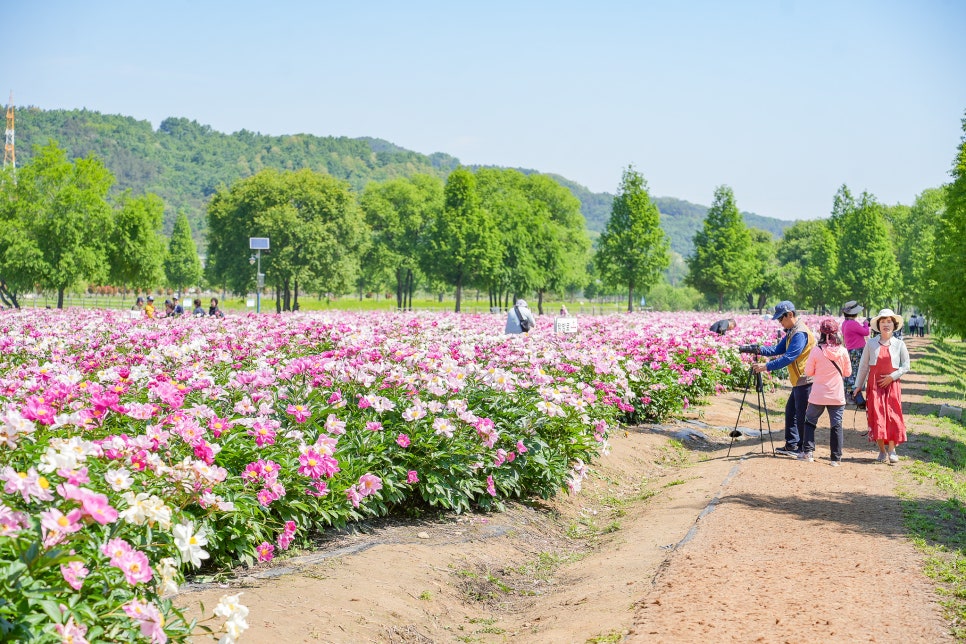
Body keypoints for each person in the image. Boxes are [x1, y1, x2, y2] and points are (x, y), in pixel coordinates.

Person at [747, 301, 816, 457]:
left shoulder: (800, 333)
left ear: (790, 315)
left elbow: (788, 357)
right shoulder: (792, 331)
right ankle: (792, 445)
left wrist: (766, 367)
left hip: (806, 379)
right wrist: (758, 349)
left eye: (780, 319)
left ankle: (804, 448)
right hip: (799, 380)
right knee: (791, 411)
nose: (780, 322)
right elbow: (778, 349)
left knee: (800, 414)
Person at [852, 309, 911, 464]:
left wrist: (892, 376)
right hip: (874, 385)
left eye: (889, 321)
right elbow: (864, 366)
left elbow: (906, 366)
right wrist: (858, 386)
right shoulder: (870, 343)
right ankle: (882, 451)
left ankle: (892, 450)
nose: (886, 324)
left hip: (892, 385)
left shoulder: (899, 344)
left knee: (893, 416)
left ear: (894, 324)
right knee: (877, 416)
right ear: (878, 325)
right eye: (883, 321)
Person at [802, 318, 852, 465]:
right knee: (836, 425)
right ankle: (835, 458)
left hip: (818, 394)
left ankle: (808, 452)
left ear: (821, 333)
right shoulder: (843, 351)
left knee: (810, 421)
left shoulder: (817, 350)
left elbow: (808, 371)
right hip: (836, 395)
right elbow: (848, 373)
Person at [840, 301, 870, 399]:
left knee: (851, 372)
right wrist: (866, 323)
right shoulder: (852, 323)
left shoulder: (845, 323)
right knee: (857, 372)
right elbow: (865, 332)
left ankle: (850, 394)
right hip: (857, 351)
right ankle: (854, 396)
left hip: (851, 350)